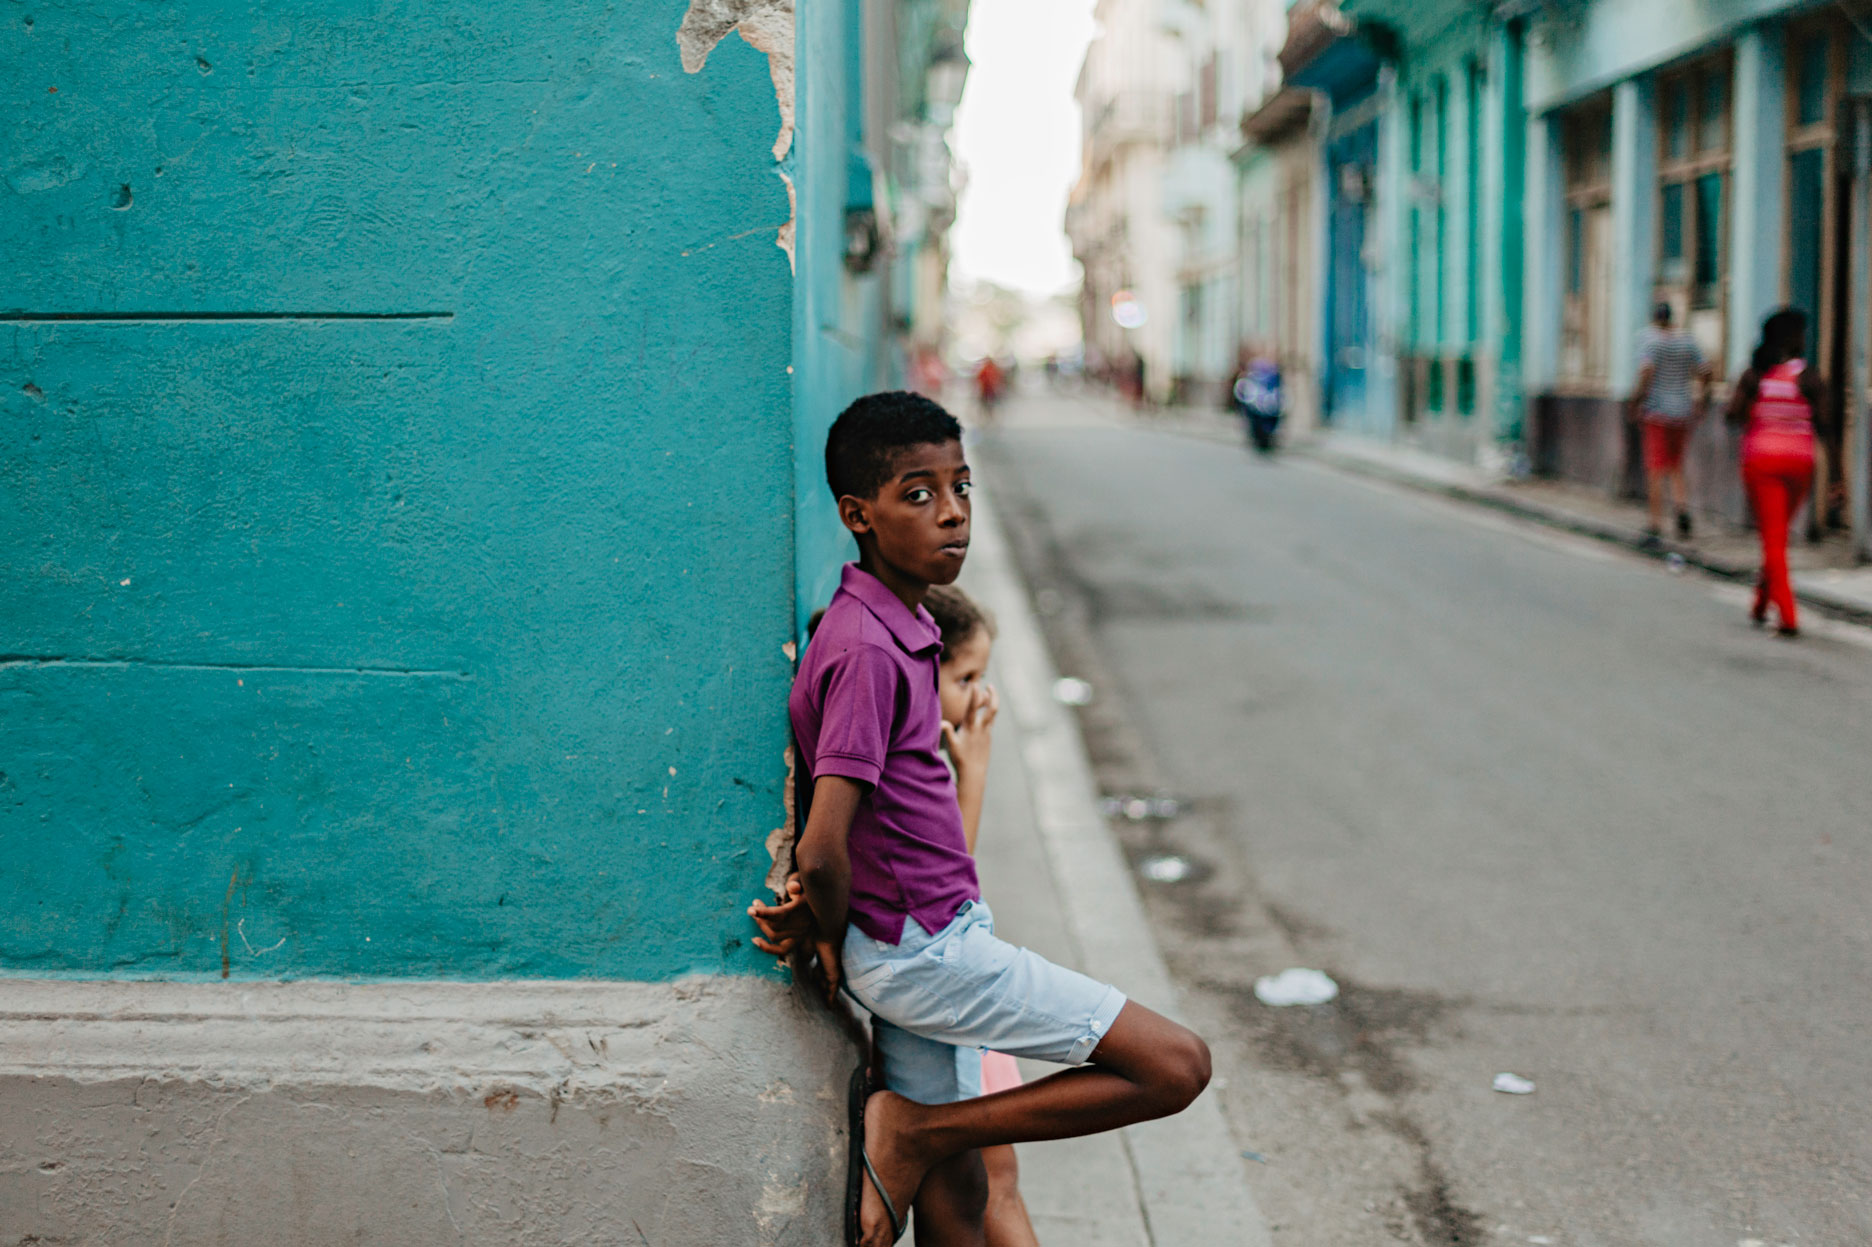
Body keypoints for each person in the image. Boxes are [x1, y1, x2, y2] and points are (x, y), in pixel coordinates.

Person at [749, 392, 1211, 1247]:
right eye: (918, 494)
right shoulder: (865, 650)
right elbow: (822, 844)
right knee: (1176, 1063)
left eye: (961, 485)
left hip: (918, 940)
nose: (953, 511)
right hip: (924, 951)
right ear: (858, 514)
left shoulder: (904, 626)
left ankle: (928, 1139)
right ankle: (917, 1130)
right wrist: (831, 933)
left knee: (958, 1196)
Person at [922, 585, 1040, 1247]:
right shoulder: (916, 762)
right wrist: (975, 767)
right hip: (951, 994)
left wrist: (970, 763)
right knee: (995, 1188)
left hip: (957, 990)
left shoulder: (928, 751)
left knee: (993, 1184)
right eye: (964, 677)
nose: (977, 695)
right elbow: (954, 883)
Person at [1725, 308, 1837, 637]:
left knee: (1774, 538)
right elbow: (1826, 428)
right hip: (1801, 462)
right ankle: (1765, 603)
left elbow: (1732, 415)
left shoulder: (1754, 375)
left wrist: (1755, 410)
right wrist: (1837, 477)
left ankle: (1786, 614)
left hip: (1761, 461)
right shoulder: (1810, 377)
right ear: (1792, 337)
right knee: (1778, 535)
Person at [1628, 302, 1714, 544]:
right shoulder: (1687, 341)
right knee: (1676, 465)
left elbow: (1646, 370)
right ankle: (1681, 509)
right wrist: (1701, 398)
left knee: (1655, 468)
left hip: (1656, 412)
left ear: (1654, 318)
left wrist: (1637, 400)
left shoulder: (1649, 340)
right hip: (1682, 411)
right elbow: (1706, 370)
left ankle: (1655, 523)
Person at [1232, 345, 1283, 454]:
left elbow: (1278, 384)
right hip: (1256, 400)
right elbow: (1246, 382)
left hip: (1270, 401)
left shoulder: (1274, 369)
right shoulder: (1255, 366)